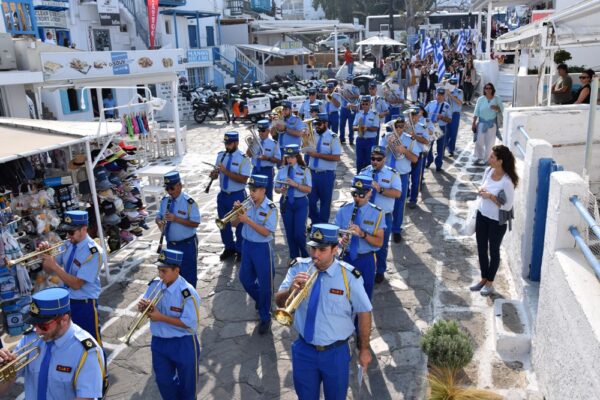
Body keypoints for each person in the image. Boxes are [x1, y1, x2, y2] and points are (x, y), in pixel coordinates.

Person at [275, 224, 373, 400]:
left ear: (335, 249)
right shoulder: (298, 267)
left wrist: (364, 349)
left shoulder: (349, 276)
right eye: (313, 248)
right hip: (304, 350)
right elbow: (279, 301)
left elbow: (364, 311)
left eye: (322, 250)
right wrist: (291, 291)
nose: (315, 254)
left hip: (335, 353)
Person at [0, 287, 105, 399]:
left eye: (43, 326)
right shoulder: (30, 338)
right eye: (34, 324)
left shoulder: (87, 352)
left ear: (64, 319)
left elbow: (85, 398)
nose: (37, 331)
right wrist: (6, 371)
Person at [141, 249, 201, 399]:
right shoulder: (155, 284)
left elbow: (190, 324)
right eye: (159, 270)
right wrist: (143, 307)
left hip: (184, 343)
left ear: (176, 270)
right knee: (164, 382)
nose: (160, 274)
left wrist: (160, 317)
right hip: (159, 342)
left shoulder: (187, 293)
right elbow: (147, 302)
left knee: (188, 387)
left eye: (164, 271)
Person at [38, 211, 104, 346]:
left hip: (84, 304)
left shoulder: (94, 252)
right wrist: (45, 256)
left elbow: (77, 284)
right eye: (66, 232)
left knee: (91, 343)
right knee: (68, 342)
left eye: (71, 232)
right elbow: (49, 270)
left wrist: (54, 265)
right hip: (66, 302)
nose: (68, 236)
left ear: (84, 229)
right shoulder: (67, 244)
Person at [470, 145, 518, 296]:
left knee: (494, 250)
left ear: (500, 161)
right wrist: (481, 191)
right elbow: (483, 186)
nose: (488, 158)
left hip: (496, 221)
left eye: (492, 157)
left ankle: (490, 282)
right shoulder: (488, 171)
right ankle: (484, 278)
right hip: (482, 215)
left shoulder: (507, 182)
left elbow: (507, 205)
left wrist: (490, 196)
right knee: (481, 248)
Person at [236, 175, 278, 334]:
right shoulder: (247, 203)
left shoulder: (271, 208)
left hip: (262, 248)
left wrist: (247, 220)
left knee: (265, 284)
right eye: (250, 189)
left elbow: (267, 232)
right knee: (245, 279)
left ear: (263, 190)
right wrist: (236, 212)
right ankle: (262, 301)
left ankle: (265, 317)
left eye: (254, 190)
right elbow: (234, 223)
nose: (251, 193)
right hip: (247, 245)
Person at [334, 176, 385, 300]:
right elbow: (335, 234)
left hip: (366, 260)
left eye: (361, 195)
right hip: (346, 258)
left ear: (370, 193)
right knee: (343, 295)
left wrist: (362, 234)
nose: (357, 198)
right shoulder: (343, 210)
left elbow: (379, 242)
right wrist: (341, 240)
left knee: (364, 297)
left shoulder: (377, 213)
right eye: (354, 193)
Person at [359, 146, 402, 283]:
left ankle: (380, 270)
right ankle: (366, 269)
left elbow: (397, 193)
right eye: (373, 158)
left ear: (385, 159)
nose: (375, 162)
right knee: (364, 243)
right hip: (366, 214)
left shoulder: (392, 174)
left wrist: (381, 189)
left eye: (378, 159)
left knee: (381, 246)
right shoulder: (364, 172)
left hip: (383, 216)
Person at [210, 132, 252, 261]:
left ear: (236, 143)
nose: (227, 146)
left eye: (229, 144)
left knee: (240, 224)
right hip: (223, 195)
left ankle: (240, 250)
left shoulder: (243, 159)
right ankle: (229, 247)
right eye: (226, 144)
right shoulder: (221, 156)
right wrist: (214, 175)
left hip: (237, 195)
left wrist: (226, 171)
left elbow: (243, 180)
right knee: (223, 224)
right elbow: (218, 174)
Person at [380, 117, 422, 243]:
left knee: (399, 204)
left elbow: (415, 159)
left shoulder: (410, 140)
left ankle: (396, 230)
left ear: (404, 127)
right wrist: (388, 147)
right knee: (383, 201)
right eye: (396, 126)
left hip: (401, 175)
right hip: (387, 174)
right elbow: (378, 155)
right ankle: (381, 227)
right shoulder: (386, 137)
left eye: (401, 127)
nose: (398, 129)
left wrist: (404, 150)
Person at [156, 171, 201, 287]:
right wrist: (159, 221)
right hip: (171, 244)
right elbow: (159, 215)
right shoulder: (165, 200)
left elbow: (196, 223)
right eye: (167, 189)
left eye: (172, 188)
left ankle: (190, 297)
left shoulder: (189, 202)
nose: (170, 192)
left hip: (187, 245)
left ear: (180, 186)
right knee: (173, 276)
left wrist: (176, 219)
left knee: (189, 275)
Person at [275, 145, 312, 261]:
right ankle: (294, 257)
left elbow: (309, 189)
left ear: (297, 157)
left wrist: (295, 184)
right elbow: (276, 188)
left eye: (292, 157)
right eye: (287, 157)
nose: (289, 160)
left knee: (299, 233)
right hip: (286, 202)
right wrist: (280, 190)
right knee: (290, 233)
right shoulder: (282, 170)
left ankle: (305, 256)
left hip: (300, 202)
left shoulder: (304, 170)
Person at [307, 113, 341, 226]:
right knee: (310, 201)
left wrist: (317, 155)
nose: (316, 127)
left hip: (326, 175)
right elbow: (306, 149)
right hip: (312, 173)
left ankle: (322, 226)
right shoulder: (312, 135)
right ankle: (316, 222)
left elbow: (336, 157)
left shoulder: (333, 137)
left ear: (326, 124)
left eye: (319, 124)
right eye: (315, 124)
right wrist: (304, 139)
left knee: (325, 203)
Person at [248, 119, 280, 200]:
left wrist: (267, 158)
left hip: (267, 171)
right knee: (253, 195)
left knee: (267, 195)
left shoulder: (273, 143)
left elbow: (278, 159)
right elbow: (248, 154)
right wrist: (250, 145)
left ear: (268, 131)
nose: (260, 133)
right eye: (259, 131)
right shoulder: (255, 141)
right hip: (255, 170)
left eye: (263, 131)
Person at [472, 83, 504, 165]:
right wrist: (474, 122)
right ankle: (479, 156)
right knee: (479, 141)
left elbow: (502, 110)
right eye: (486, 88)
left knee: (490, 143)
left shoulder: (497, 99)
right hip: (481, 123)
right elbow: (476, 111)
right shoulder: (481, 99)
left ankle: (487, 159)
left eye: (490, 88)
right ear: (484, 89)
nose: (488, 90)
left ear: (492, 89)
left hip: (492, 124)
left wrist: (496, 108)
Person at [425, 88, 452, 172]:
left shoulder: (447, 106)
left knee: (440, 147)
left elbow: (450, 120)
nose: (439, 97)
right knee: (428, 146)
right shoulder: (431, 103)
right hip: (431, 127)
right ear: (435, 95)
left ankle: (438, 164)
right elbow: (424, 113)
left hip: (440, 128)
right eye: (438, 95)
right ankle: (429, 160)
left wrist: (442, 117)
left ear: (444, 96)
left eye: (441, 95)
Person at [353, 95, 380, 174]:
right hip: (360, 140)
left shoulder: (374, 114)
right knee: (359, 160)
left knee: (369, 160)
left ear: (370, 104)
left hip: (370, 140)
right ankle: (359, 176)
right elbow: (353, 126)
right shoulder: (358, 114)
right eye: (363, 104)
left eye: (366, 104)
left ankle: (368, 176)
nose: (364, 105)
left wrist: (367, 128)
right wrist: (358, 128)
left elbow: (376, 128)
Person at [445, 77, 464, 157]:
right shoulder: (445, 91)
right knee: (445, 132)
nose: (453, 85)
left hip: (455, 114)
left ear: (456, 84)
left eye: (454, 84)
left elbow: (460, 102)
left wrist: (451, 95)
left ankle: (451, 149)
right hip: (446, 114)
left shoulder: (459, 91)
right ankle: (443, 148)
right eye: (451, 84)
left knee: (453, 133)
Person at [339, 75, 360, 145]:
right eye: (347, 81)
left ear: (352, 81)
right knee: (342, 124)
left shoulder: (355, 88)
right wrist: (341, 92)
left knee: (351, 125)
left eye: (349, 81)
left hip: (352, 107)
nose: (348, 82)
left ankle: (351, 139)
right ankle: (341, 138)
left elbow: (358, 96)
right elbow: (340, 94)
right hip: (344, 107)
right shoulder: (342, 87)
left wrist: (350, 95)